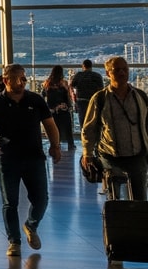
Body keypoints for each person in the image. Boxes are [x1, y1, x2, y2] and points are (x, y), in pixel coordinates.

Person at [0, 64, 61, 257]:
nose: (23, 82)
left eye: (24, 78)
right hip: (7, 158)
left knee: (41, 199)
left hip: (34, 157)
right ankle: (14, 241)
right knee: (10, 202)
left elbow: (50, 124)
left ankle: (31, 225)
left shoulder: (35, 100)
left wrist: (55, 146)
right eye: (19, 78)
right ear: (7, 81)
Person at [81, 56, 148, 200]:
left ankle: (137, 222)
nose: (122, 73)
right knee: (116, 200)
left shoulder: (140, 97)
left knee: (140, 199)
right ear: (108, 73)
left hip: (137, 156)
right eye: (117, 70)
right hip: (111, 157)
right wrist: (87, 153)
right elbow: (89, 128)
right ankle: (119, 221)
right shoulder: (100, 98)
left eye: (125, 69)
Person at [41, 66, 74, 151]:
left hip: (52, 109)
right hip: (63, 108)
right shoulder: (63, 83)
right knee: (68, 127)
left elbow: (42, 96)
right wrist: (68, 106)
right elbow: (67, 97)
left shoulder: (47, 83)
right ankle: (71, 144)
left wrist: (48, 107)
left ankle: (56, 144)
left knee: (55, 127)